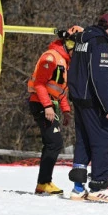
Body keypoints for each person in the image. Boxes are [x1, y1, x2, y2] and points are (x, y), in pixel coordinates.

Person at [67, 13, 108, 202]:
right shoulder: (99, 43)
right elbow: (99, 77)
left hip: (78, 99)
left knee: (83, 141)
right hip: (93, 101)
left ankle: (78, 187)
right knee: (103, 141)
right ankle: (99, 186)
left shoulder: (81, 40)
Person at [27, 26, 82, 195]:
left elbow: (59, 89)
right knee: (54, 143)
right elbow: (39, 84)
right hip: (41, 103)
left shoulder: (64, 61)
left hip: (50, 103)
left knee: (52, 143)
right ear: (70, 44)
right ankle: (44, 182)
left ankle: (44, 182)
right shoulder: (51, 58)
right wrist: (47, 106)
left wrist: (65, 110)